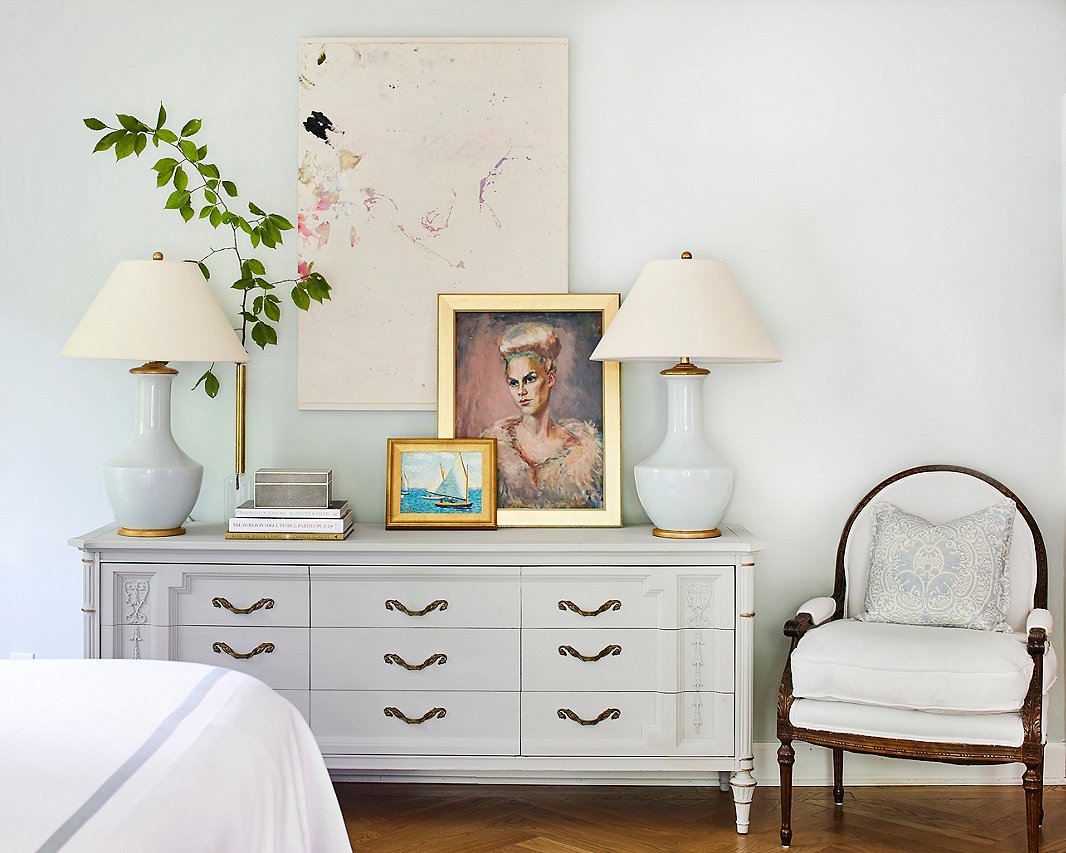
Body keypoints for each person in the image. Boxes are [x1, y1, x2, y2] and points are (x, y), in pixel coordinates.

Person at [481, 322, 603, 509]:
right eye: (513, 383)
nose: (521, 391)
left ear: (550, 378)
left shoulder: (583, 454)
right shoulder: (495, 445)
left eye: (530, 379)